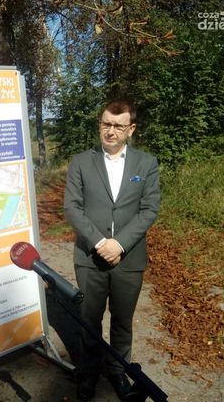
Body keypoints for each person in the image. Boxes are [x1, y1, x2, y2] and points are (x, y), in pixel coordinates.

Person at [63, 98, 161, 401]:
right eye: (106, 123)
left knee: (122, 320)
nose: (110, 131)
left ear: (131, 129)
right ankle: (89, 372)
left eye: (118, 126)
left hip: (129, 258)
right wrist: (100, 242)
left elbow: (150, 208)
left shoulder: (146, 164)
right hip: (90, 258)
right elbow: (72, 207)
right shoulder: (81, 161)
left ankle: (118, 371)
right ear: (100, 125)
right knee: (89, 320)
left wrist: (120, 243)